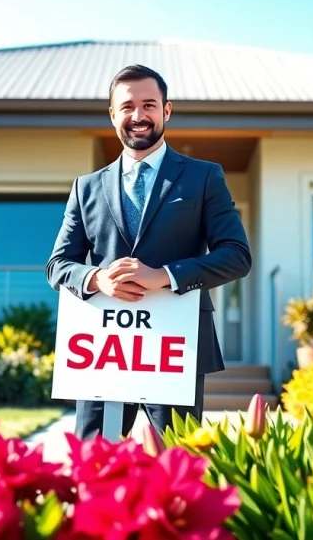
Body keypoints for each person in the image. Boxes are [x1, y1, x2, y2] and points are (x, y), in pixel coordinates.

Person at [45, 64, 252, 439]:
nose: (138, 116)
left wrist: (164, 276)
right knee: (95, 459)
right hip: (103, 348)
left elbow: (236, 255)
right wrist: (97, 278)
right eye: (127, 107)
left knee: (176, 461)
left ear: (166, 110)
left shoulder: (203, 177)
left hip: (176, 345)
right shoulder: (87, 187)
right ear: (112, 115)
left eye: (149, 105)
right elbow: (58, 266)